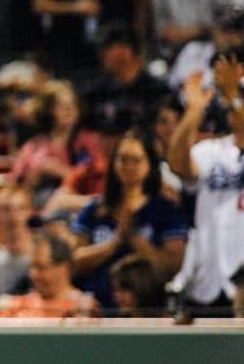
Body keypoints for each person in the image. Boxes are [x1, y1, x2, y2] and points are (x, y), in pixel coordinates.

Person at [71, 132, 186, 309]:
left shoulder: (166, 211)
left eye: (136, 160)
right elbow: (74, 262)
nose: (128, 166)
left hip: (147, 310)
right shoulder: (96, 209)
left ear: (150, 164)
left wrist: (134, 237)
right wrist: (115, 242)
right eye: (123, 159)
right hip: (98, 308)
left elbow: (171, 267)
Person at [166, 57, 244, 310]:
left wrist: (233, 93)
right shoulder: (212, 151)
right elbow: (178, 164)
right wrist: (194, 111)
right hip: (208, 281)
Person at [0, 232, 98, 318]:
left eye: (41, 268)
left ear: (64, 268)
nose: (33, 275)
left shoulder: (84, 308)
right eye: (32, 267)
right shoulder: (16, 306)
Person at [0, 185, 35, 300]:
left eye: (20, 208)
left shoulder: (43, 258)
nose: (13, 216)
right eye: (6, 209)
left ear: (30, 212)